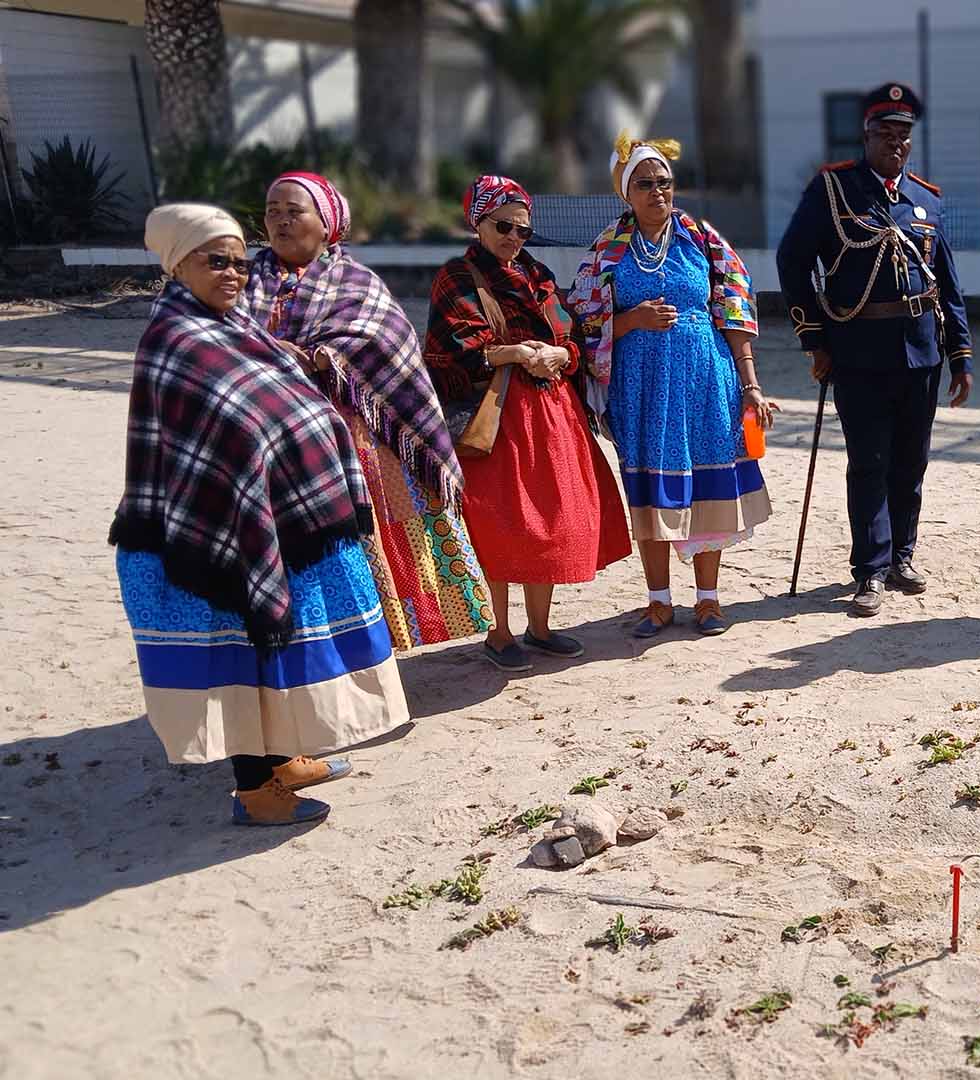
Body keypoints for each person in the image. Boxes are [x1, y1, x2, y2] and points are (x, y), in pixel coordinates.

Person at [113, 204, 409, 826]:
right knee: (242, 649)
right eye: (214, 260)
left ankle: (282, 757)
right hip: (220, 529)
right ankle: (255, 790)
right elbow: (226, 434)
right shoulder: (176, 340)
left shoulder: (234, 325)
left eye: (240, 264)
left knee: (278, 642)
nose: (232, 273)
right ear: (177, 264)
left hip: (278, 521)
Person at [241, 171, 495, 653]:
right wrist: (270, 352)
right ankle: (304, 660)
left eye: (294, 211)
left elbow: (386, 344)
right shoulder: (246, 284)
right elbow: (224, 344)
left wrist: (323, 357)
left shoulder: (356, 283)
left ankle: (366, 656)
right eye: (273, 211)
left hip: (350, 446)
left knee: (361, 551)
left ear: (328, 222)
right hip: (267, 444)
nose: (280, 221)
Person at [775, 81, 974, 617]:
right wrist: (813, 338)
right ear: (866, 136)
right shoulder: (833, 190)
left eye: (903, 134)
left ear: (912, 141)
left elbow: (945, 281)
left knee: (911, 463)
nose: (895, 142)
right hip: (858, 353)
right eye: (884, 132)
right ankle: (868, 570)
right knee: (870, 462)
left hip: (921, 353)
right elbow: (793, 262)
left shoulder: (925, 199)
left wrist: (961, 352)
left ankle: (901, 557)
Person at [567, 134, 775, 638]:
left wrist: (750, 384)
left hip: (706, 377)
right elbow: (581, 317)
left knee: (709, 480)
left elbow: (734, 305)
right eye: (644, 184)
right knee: (650, 486)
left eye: (664, 182)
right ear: (625, 193)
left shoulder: (700, 239)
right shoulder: (607, 252)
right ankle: (658, 602)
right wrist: (630, 319)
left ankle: (708, 601)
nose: (657, 191)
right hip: (641, 386)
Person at [424, 175, 630, 672]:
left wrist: (561, 352)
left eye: (522, 230)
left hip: (552, 414)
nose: (514, 238)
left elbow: (573, 334)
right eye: (503, 226)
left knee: (552, 520)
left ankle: (540, 627)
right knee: (498, 523)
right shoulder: (457, 276)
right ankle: (498, 633)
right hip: (496, 419)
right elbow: (453, 351)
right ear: (478, 223)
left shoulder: (536, 274)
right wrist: (513, 352)